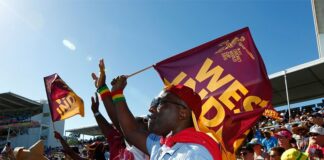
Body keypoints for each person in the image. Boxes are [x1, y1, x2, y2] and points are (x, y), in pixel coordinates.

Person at [110, 75, 221, 159]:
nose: (151, 109)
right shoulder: (160, 145)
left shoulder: (195, 154)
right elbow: (131, 131)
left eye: (160, 103)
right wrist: (117, 94)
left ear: (182, 113)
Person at [91, 59, 150, 160]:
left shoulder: (155, 149)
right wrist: (104, 89)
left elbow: (119, 122)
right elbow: (118, 121)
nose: (125, 128)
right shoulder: (134, 150)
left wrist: (112, 91)